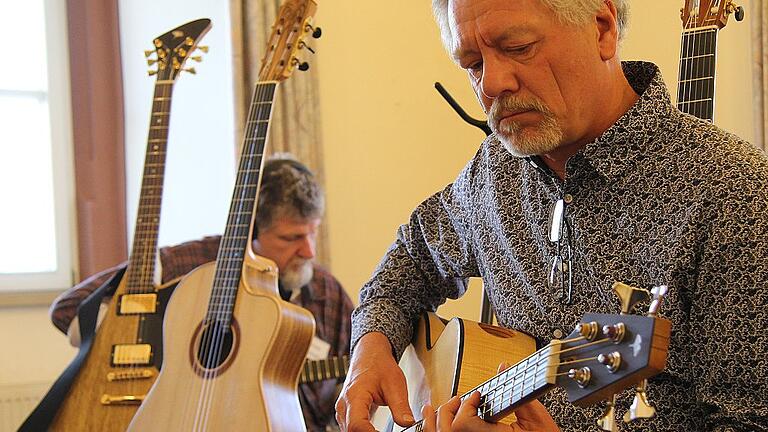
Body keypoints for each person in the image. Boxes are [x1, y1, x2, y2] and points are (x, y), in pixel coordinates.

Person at [335, 1, 768, 431]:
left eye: (518, 47)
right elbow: (409, 261)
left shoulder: (734, 194)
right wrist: (371, 347)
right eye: (472, 63)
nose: (493, 83)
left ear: (602, 29)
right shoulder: (494, 173)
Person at [51, 155, 354, 432]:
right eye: (291, 238)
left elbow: (352, 374)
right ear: (251, 232)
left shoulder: (327, 293)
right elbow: (70, 307)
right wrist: (168, 364)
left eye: (313, 232)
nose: (309, 250)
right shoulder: (195, 266)